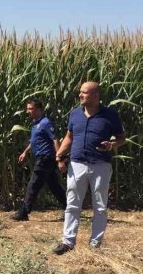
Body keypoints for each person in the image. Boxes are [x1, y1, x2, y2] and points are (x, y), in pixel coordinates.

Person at [52, 82, 126, 254]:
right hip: (77, 164)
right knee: (72, 204)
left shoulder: (110, 115)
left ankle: (95, 243)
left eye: (84, 93)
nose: (80, 95)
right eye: (80, 92)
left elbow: (122, 138)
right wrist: (59, 156)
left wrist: (111, 144)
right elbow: (69, 136)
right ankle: (68, 242)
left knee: (99, 206)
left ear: (95, 95)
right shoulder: (75, 114)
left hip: (101, 165)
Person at [13, 97, 66, 221]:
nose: (28, 111)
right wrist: (25, 152)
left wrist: (59, 158)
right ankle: (69, 207)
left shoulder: (45, 123)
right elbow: (34, 141)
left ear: (39, 109)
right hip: (41, 158)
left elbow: (55, 140)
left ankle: (24, 212)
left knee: (33, 185)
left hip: (45, 158)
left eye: (31, 109)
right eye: (28, 109)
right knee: (54, 186)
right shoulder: (35, 124)